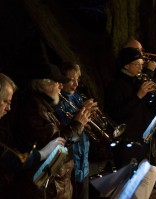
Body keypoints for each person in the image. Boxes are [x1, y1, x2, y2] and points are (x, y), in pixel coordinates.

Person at [12, 63, 95, 199]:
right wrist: (77, 124)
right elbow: (55, 144)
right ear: (44, 86)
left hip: (58, 185)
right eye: (58, 83)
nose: (61, 87)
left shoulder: (44, 106)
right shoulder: (34, 109)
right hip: (47, 189)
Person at [0, 73, 65, 199]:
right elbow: (9, 159)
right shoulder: (32, 107)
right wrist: (42, 154)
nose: (8, 108)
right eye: (5, 101)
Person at [104, 47, 156, 169]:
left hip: (145, 138)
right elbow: (117, 114)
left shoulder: (137, 81)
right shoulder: (115, 85)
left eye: (142, 64)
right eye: (137, 64)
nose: (141, 67)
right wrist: (138, 95)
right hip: (128, 143)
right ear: (126, 66)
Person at [54, 61, 98, 199]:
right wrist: (82, 112)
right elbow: (63, 128)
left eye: (77, 79)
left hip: (84, 162)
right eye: (71, 80)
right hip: (69, 164)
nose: (76, 84)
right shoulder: (57, 101)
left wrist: (91, 116)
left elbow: (84, 125)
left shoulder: (78, 96)